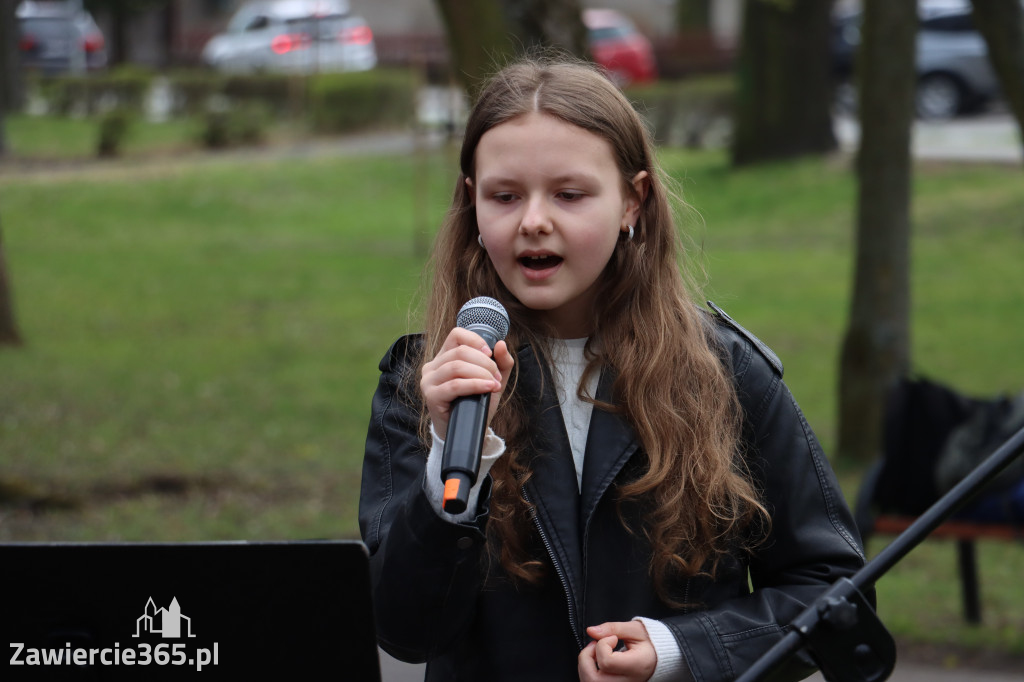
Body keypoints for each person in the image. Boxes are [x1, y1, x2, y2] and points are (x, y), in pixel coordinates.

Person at [359, 56, 869, 682]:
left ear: (633, 199)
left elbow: (835, 594)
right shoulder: (424, 383)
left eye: (570, 195)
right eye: (504, 195)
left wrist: (680, 651)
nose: (534, 221)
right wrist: (447, 457)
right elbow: (406, 631)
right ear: (471, 202)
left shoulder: (724, 374)